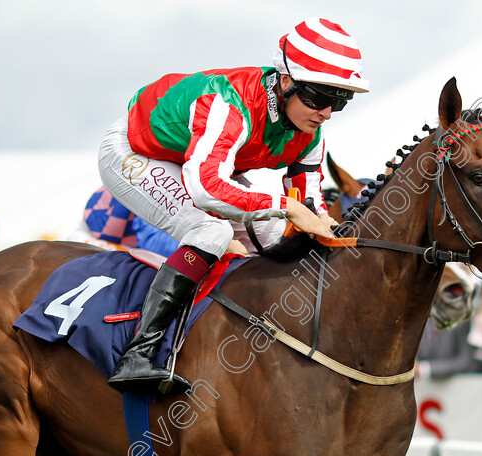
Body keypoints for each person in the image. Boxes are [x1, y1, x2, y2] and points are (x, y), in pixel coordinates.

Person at [98, 18, 367, 393]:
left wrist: (321, 222)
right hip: (136, 153)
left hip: (197, 163)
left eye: (339, 101)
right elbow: (207, 188)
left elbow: (308, 202)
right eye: (319, 97)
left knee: (278, 235)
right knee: (211, 230)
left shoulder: (310, 132)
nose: (326, 112)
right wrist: (286, 208)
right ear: (286, 81)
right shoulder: (229, 103)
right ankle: (137, 354)